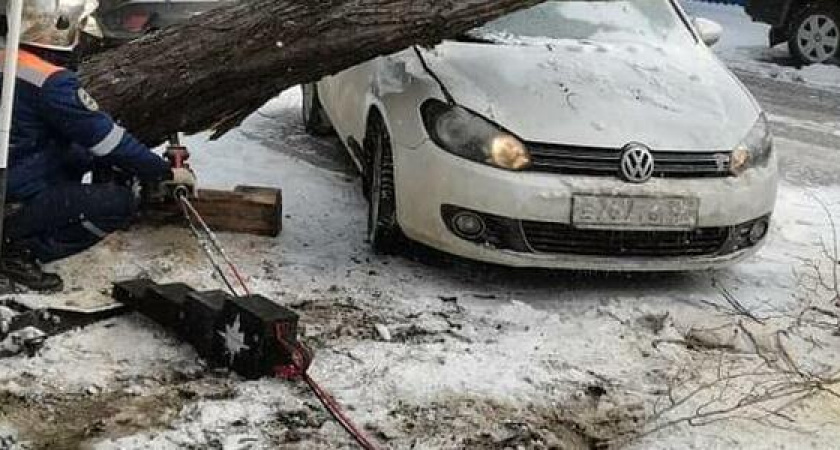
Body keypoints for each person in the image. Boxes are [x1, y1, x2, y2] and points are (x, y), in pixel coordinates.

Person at [0, 0, 195, 292]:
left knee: (79, 155)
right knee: (118, 204)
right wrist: (164, 172)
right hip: (9, 197)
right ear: (58, 27)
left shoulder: (10, 60)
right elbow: (108, 140)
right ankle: (15, 251)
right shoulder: (50, 82)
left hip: (13, 170)